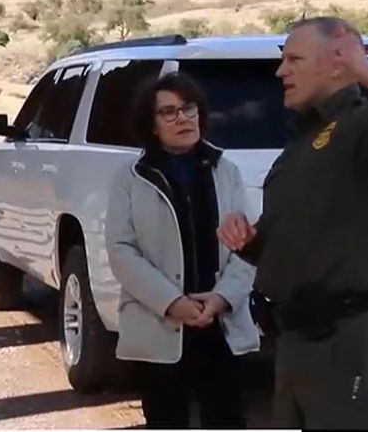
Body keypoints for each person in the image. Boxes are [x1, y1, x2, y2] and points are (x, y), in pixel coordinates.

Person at [218, 17, 368, 429]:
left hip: (347, 339)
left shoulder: (366, 124)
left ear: (337, 64)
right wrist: (251, 241)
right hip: (295, 341)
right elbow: (301, 226)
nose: (280, 71)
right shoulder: (308, 136)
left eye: (293, 59)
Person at [105, 72, 259, 429]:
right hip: (161, 324)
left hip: (220, 323)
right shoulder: (131, 178)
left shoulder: (226, 170)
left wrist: (222, 298)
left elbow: (249, 246)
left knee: (226, 418)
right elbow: (122, 250)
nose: (183, 118)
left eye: (188, 109)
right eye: (169, 112)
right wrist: (174, 302)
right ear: (152, 124)